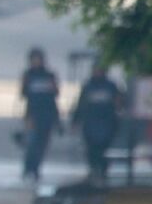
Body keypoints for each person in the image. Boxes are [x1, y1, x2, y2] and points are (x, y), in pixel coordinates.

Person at [71, 63, 124, 182]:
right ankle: (93, 168)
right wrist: (76, 121)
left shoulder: (111, 86)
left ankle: (102, 168)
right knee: (91, 147)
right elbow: (80, 104)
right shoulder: (88, 86)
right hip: (90, 122)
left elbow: (119, 103)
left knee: (102, 147)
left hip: (107, 122)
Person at [20, 48, 61, 182]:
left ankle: (36, 168)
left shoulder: (50, 75)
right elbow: (23, 93)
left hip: (47, 113)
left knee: (43, 143)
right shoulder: (28, 75)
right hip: (32, 113)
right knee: (31, 142)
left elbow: (55, 94)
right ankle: (28, 167)